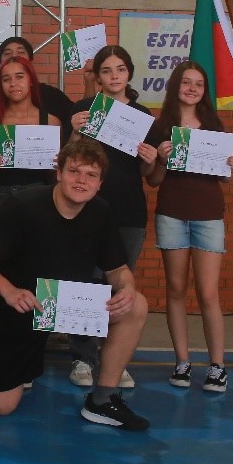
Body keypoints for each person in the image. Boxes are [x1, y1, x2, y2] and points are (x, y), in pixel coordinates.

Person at [0, 137, 151, 430]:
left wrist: (127, 287)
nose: (81, 180)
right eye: (74, 171)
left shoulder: (101, 212)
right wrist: (8, 291)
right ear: (59, 173)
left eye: (91, 175)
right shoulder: (23, 206)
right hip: (19, 308)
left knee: (135, 304)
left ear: (100, 183)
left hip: (67, 307)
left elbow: (117, 269)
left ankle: (102, 400)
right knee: (3, 407)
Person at [65, 45, 157, 390]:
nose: (114, 76)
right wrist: (75, 131)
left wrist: (150, 160)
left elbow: (147, 174)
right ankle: (82, 356)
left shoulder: (143, 115)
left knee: (119, 288)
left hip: (128, 211)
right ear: (98, 76)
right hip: (86, 210)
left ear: (129, 73)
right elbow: (65, 161)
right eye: (106, 70)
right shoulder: (83, 110)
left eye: (120, 69)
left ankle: (114, 357)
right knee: (85, 284)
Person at [145, 60, 233, 393]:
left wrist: (230, 165)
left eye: (199, 84)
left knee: (208, 293)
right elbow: (154, 181)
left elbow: (222, 178)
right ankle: (182, 362)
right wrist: (160, 160)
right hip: (171, 214)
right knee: (175, 290)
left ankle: (217, 366)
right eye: (187, 82)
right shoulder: (161, 127)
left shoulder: (214, 125)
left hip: (208, 216)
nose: (192, 88)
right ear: (176, 86)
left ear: (204, 91)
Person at [0, 54, 65, 229]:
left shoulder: (51, 122)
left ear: (31, 80)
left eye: (19, 77)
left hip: (38, 196)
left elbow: (55, 176)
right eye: (6, 79)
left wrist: (57, 166)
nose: (13, 83)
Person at [0, 36, 73, 125]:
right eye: (7, 53)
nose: (14, 56)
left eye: (19, 77)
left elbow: (77, 118)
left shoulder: (52, 102)